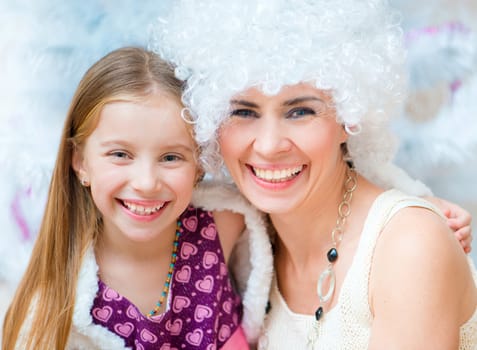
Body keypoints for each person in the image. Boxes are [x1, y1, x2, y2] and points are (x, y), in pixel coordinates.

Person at [151, 0, 477, 348]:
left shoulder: (408, 246)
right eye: (244, 112)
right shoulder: (238, 240)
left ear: (348, 119)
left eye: (300, 111)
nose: (269, 145)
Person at [1, 46, 273, 349]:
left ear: (199, 165)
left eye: (171, 157)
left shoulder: (226, 225)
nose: (146, 183)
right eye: (120, 154)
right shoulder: (57, 308)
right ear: (80, 162)